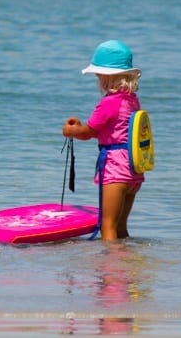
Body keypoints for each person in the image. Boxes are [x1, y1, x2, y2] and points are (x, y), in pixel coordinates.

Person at [62, 40, 144, 241]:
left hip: (115, 169)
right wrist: (82, 127)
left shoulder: (108, 103)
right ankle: (127, 266)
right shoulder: (132, 100)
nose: (98, 79)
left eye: (98, 75)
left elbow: (88, 132)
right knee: (120, 228)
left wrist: (71, 130)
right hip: (134, 168)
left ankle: (111, 269)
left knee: (108, 227)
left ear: (107, 77)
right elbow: (114, 131)